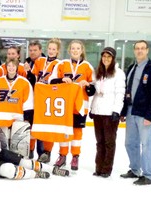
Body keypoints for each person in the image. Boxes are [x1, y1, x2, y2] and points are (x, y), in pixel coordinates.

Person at [120, 40, 151, 185]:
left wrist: (150, 115)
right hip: (132, 110)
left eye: (142, 48)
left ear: (147, 50)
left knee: (147, 144)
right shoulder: (132, 67)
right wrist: (124, 111)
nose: (139, 51)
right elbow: (128, 90)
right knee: (130, 143)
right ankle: (135, 169)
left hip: (144, 113)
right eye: (137, 48)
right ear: (134, 50)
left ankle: (148, 175)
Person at [49, 39, 94, 171]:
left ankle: (75, 156)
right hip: (64, 105)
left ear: (81, 51)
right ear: (69, 50)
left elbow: (94, 87)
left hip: (81, 106)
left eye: (78, 48)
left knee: (77, 132)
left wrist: (88, 85)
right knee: (64, 131)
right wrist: (61, 79)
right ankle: (62, 155)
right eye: (73, 48)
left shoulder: (87, 66)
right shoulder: (62, 64)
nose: (75, 50)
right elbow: (51, 80)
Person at [89, 47, 125, 177]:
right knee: (99, 141)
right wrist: (92, 109)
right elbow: (95, 92)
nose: (106, 59)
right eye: (104, 56)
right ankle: (98, 167)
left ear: (113, 58)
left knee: (109, 142)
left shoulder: (118, 73)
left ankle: (106, 169)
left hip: (110, 112)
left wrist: (117, 110)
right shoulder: (97, 72)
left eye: (109, 57)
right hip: (98, 111)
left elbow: (120, 93)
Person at [0, 58, 33, 157]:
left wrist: (27, 119)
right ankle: (3, 159)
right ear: (6, 67)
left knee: (17, 144)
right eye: (9, 66)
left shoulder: (24, 82)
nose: (11, 68)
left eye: (13, 66)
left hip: (18, 117)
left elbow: (28, 102)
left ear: (17, 67)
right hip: (2, 116)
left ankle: (19, 160)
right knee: (3, 142)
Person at [32, 38, 62, 163]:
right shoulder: (40, 61)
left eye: (54, 49)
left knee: (47, 127)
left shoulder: (60, 64)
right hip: (37, 97)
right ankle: (31, 150)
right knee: (35, 126)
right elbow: (33, 77)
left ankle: (46, 152)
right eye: (49, 48)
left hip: (49, 99)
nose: (51, 51)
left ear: (58, 51)